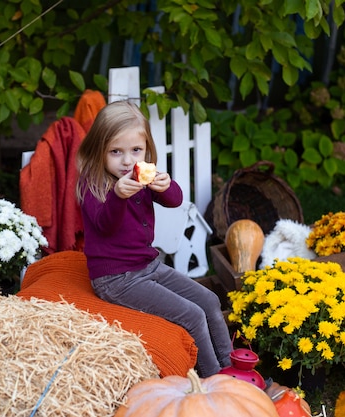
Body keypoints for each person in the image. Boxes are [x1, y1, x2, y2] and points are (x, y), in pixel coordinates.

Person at [76, 100, 232, 377]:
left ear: (147, 149)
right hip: (116, 278)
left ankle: (231, 369)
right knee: (192, 315)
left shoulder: (139, 177)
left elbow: (175, 201)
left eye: (136, 150)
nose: (127, 161)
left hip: (149, 266)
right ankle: (214, 379)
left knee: (208, 301)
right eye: (116, 152)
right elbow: (106, 225)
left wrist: (166, 185)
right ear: (99, 151)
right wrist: (118, 197)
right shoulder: (94, 186)